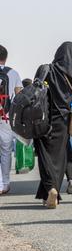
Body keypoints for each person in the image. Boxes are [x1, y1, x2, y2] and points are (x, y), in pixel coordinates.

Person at [34, 42, 72, 208]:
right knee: (58, 158)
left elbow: (34, 91)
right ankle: (50, 192)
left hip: (43, 119)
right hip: (63, 120)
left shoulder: (46, 69)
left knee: (44, 156)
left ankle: (51, 189)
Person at [0, 45, 22, 195]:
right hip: (6, 118)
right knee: (6, 151)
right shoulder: (13, 73)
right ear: (6, 58)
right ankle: (5, 184)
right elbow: (20, 97)